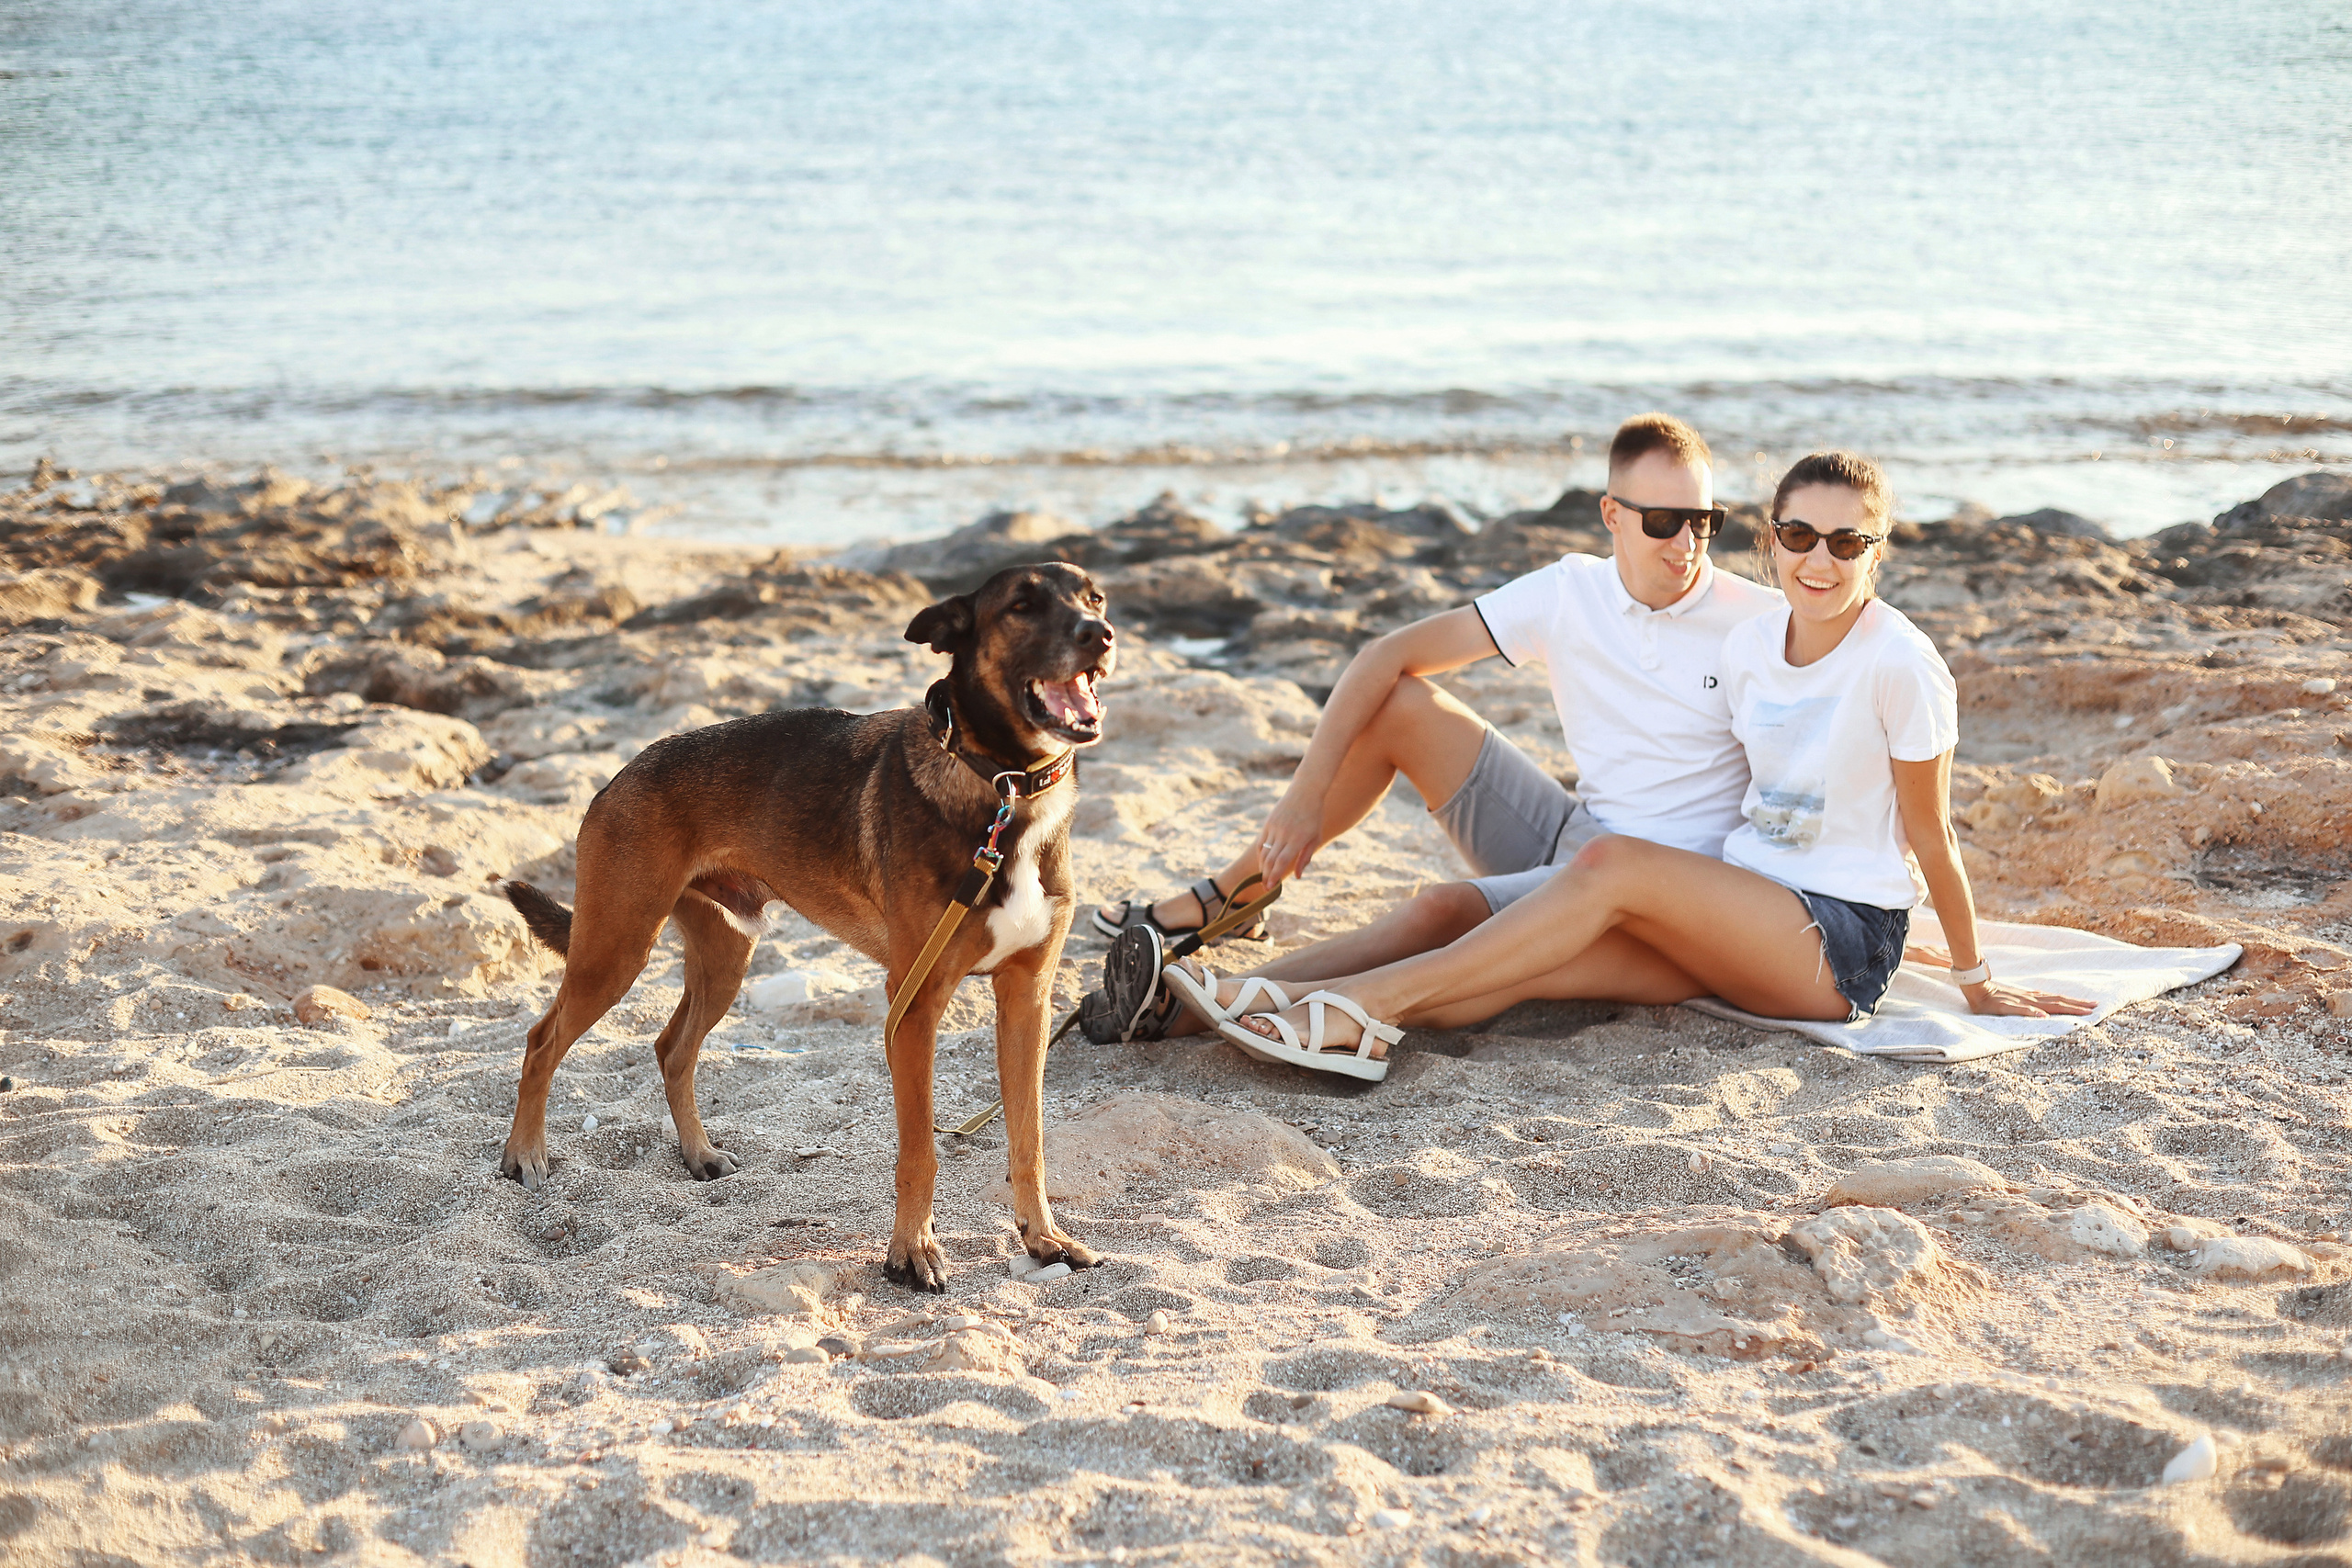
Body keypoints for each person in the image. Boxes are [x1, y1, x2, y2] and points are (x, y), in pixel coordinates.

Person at [1182, 451, 2094, 1077]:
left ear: (1876, 551)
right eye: (1798, 537)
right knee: (1525, 966)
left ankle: (1358, 1011)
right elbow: (1761, 793)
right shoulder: (1749, 645)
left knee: (1607, 866)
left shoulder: (1900, 662)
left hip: (1835, 945)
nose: (1819, 561)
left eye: (1847, 542)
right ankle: (1246, 1001)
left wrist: (1971, 980)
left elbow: (1928, 837)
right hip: (1741, 907)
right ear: (1772, 538)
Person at [1080, 412, 1782, 1045]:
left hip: (1664, 893)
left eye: (1704, 521)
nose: (1688, 543)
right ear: (1612, 515)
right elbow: (1383, 656)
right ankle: (1242, 889)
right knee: (1400, 703)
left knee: (1439, 910)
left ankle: (1193, 1006)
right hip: (1576, 837)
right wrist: (1300, 798)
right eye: (1664, 521)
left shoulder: (1758, 620)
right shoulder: (1569, 592)